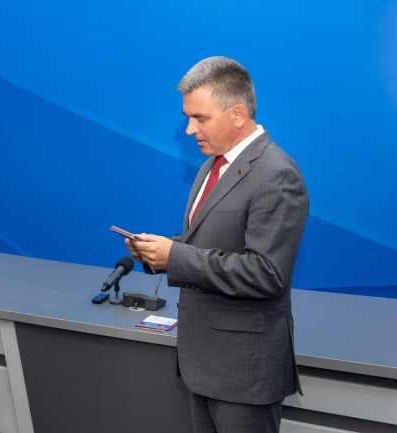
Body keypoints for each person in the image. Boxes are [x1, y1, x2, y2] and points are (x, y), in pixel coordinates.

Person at [125, 56, 309, 433]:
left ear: (238, 114)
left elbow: (266, 274)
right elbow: (207, 241)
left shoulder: (277, 175)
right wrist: (158, 253)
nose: (189, 129)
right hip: (202, 365)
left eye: (200, 118)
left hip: (244, 373)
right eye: (187, 117)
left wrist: (175, 257)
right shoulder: (212, 165)